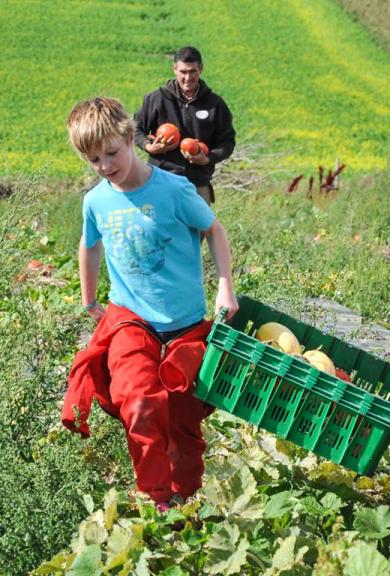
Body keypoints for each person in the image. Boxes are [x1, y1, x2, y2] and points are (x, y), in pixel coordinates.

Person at [61, 96, 239, 510]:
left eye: (111, 153)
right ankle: (155, 499)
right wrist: (89, 300)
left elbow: (214, 230)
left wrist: (225, 286)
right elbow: (89, 245)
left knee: (182, 419)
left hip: (185, 322)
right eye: (93, 159)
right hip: (131, 318)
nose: (105, 166)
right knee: (137, 400)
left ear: (130, 138)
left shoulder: (174, 190)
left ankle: (187, 501)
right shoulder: (96, 201)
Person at [134, 46, 236, 204]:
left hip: (198, 184)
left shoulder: (215, 104)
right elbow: (135, 128)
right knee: (161, 220)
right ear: (174, 69)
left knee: (200, 221)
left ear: (201, 69)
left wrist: (208, 158)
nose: (187, 78)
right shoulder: (156, 99)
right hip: (161, 181)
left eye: (192, 71)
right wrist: (149, 146)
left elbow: (227, 142)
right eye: (183, 72)